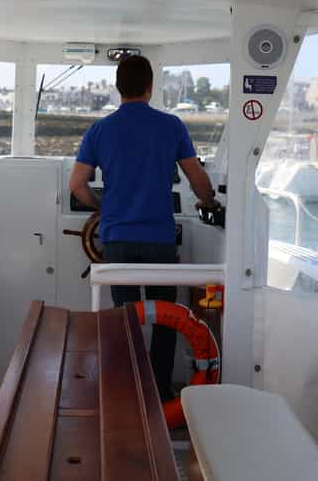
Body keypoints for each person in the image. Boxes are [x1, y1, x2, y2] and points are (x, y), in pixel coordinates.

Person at [68, 55, 219, 400]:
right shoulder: (172, 126)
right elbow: (196, 178)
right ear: (151, 87)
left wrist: (103, 206)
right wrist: (209, 203)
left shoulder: (100, 130)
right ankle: (160, 390)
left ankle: (127, 388)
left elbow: (77, 184)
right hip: (159, 241)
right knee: (166, 318)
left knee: (126, 318)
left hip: (117, 239)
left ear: (118, 88)